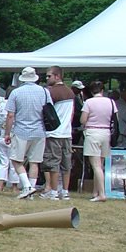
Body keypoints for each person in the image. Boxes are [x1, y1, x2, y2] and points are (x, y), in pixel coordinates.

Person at [4, 67, 49, 199]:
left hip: (21, 130)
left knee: (16, 160)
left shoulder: (16, 93)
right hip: (39, 130)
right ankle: (31, 188)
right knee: (34, 162)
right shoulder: (44, 92)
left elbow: (11, 115)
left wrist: (7, 133)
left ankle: (27, 186)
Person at [42, 66, 75, 200]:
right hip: (67, 132)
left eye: (49, 76)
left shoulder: (49, 92)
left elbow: (44, 112)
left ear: (57, 76)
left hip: (53, 132)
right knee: (66, 164)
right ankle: (65, 191)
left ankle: (54, 191)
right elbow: (72, 114)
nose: (47, 78)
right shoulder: (70, 92)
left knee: (53, 163)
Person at [80, 80, 116, 202]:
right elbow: (115, 118)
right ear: (102, 90)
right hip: (106, 133)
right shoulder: (110, 102)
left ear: (91, 91)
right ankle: (96, 191)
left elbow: (83, 120)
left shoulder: (89, 102)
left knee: (96, 166)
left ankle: (101, 193)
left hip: (92, 132)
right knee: (100, 165)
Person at [0, 89, 19, 193]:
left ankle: (0, 186)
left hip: (0, 136)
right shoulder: (16, 107)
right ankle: (14, 186)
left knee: (3, 162)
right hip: (13, 136)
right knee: (14, 162)